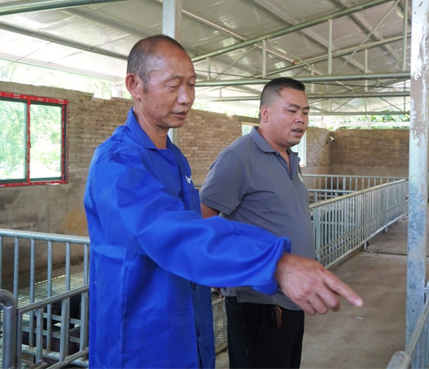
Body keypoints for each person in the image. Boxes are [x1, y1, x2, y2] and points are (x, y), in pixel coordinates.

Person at [83, 35, 362, 369]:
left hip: (188, 328)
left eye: (191, 85)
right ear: (135, 85)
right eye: (173, 85)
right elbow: (168, 229)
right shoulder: (117, 163)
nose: (186, 98)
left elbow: (195, 232)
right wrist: (271, 261)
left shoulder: (173, 158)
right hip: (140, 340)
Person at [200, 77, 315, 368]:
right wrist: (219, 272)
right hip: (259, 301)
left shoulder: (289, 158)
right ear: (265, 113)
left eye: (305, 112)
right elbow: (202, 218)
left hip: (292, 297)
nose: (301, 119)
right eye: (291, 110)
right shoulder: (238, 157)